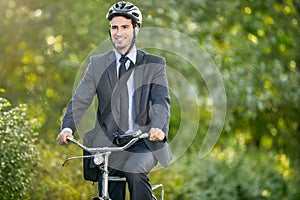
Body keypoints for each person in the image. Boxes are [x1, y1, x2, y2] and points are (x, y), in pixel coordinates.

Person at [56, 1, 172, 200]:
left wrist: (159, 128)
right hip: (108, 144)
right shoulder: (97, 64)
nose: (118, 33)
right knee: (109, 191)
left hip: (142, 142)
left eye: (125, 27)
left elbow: (161, 101)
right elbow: (81, 99)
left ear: (136, 29)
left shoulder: (154, 64)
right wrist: (67, 128)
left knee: (134, 170)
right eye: (114, 27)